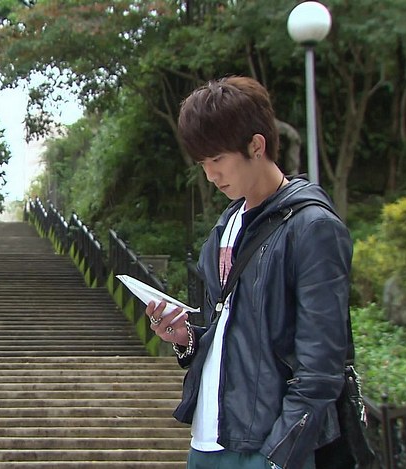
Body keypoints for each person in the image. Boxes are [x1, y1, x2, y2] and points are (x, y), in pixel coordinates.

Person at [145, 76, 352, 469]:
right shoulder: (226, 226)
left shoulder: (312, 227)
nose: (210, 175)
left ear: (257, 146)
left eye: (217, 160)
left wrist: (277, 456)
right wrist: (187, 338)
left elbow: (321, 366)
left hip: (267, 446)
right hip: (207, 441)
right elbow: (232, 333)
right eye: (203, 163)